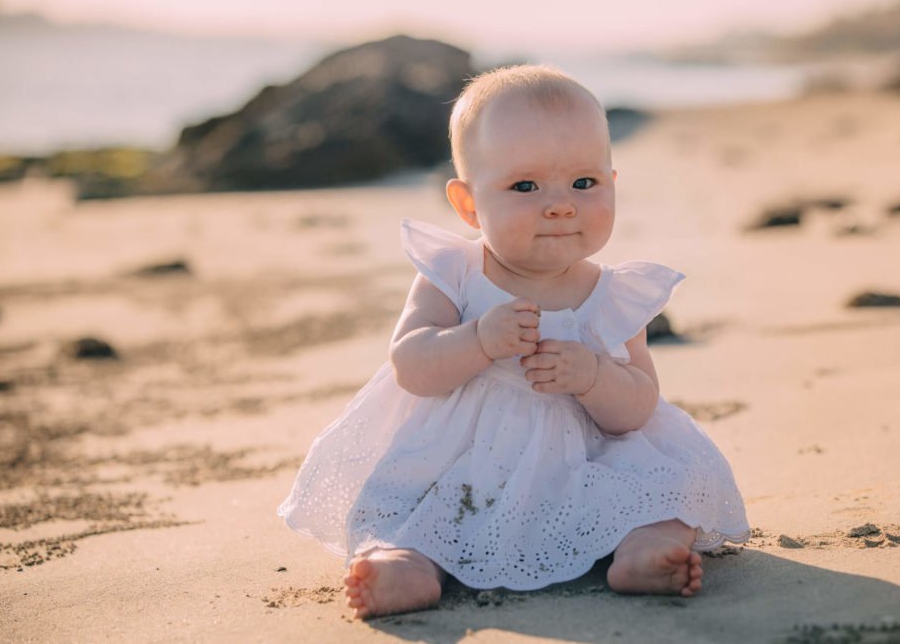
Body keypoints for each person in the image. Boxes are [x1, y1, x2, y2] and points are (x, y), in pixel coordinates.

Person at [278, 65, 750, 619]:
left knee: (668, 484)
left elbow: (637, 409)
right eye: (526, 186)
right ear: (468, 204)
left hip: (581, 463)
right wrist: (477, 340)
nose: (560, 204)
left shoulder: (613, 294)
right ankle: (406, 565)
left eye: (584, 183)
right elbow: (411, 366)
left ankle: (643, 549)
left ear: (612, 183)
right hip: (467, 464)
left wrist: (595, 376)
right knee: (421, 514)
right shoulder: (452, 273)